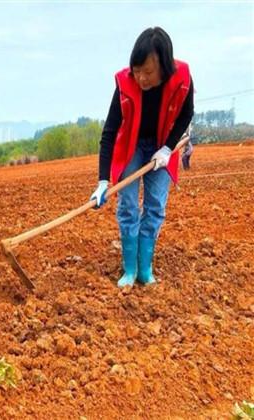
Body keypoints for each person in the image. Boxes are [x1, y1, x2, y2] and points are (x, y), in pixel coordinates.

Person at [90, 27, 194, 287]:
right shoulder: (125, 83)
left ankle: (145, 268)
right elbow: (110, 132)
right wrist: (103, 180)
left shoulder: (182, 78)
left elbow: (186, 115)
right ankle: (130, 269)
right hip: (131, 148)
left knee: (155, 206)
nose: (141, 78)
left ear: (165, 66)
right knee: (127, 205)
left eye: (148, 72)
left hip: (162, 147)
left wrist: (168, 148)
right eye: (137, 70)